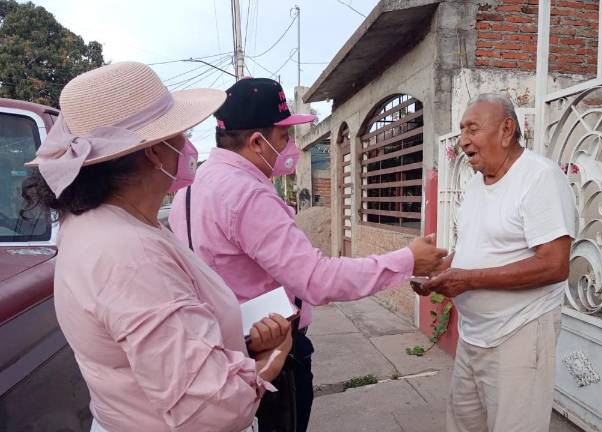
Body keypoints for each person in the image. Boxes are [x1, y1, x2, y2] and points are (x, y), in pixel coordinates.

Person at [22, 62, 293, 432]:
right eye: (179, 133)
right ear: (153, 152)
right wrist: (270, 359)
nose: (188, 145)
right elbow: (214, 407)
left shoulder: (101, 224)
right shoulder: (129, 254)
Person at [169, 77, 447, 432]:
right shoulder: (247, 194)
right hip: (268, 351)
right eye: (284, 136)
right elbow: (317, 279)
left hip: (223, 346)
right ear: (257, 142)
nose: (291, 146)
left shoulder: (192, 189)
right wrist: (407, 260)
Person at [417, 94, 577, 432]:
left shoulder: (539, 177)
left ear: (506, 130)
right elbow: (477, 246)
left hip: (519, 334)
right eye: (462, 130)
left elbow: (555, 265)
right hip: (473, 336)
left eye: (472, 129)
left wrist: (469, 279)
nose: (463, 140)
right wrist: (441, 270)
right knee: (463, 425)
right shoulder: (477, 183)